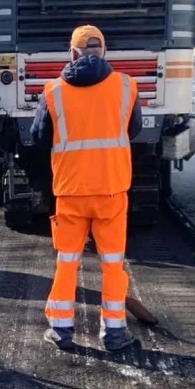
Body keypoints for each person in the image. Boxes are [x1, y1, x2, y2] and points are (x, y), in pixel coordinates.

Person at [31, 25, 143, 353]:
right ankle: (114, 333)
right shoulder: (126, 86)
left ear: (72, 54)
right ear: (103, 52)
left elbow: (39, 138)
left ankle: (62, 330)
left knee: (67, 262)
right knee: (112, 264)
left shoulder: (53, 91)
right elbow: (133, 129)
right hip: (111, 190)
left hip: (70, 192)